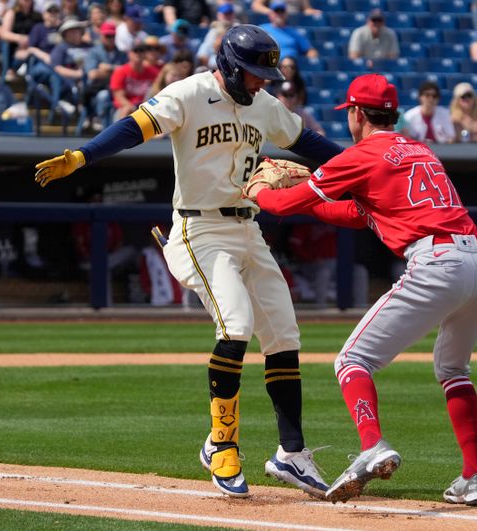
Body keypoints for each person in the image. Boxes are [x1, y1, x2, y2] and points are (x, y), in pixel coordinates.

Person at [34, 24, 343, 499]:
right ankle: (221, 444)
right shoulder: (190, 93)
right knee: (236, 325)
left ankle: (291, 454)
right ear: (229, 66)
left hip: (248, 227)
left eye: (266, 73)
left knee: (283, 334)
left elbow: (311, 143)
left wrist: (364, 169)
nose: (262, 81)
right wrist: (83, 155)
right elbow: (133, 128)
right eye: (255, 72)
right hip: (200, 231)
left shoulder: (264, 105)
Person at [245, 73, 477, 506]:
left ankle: (373, 445)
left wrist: (260, 191)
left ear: (358, 113)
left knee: (352, 360)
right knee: (454, 370)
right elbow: (359, 213)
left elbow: (286, 206)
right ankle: (473, 478)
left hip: (437, 262)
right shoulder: (421, 149)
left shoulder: (363, 154)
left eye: (350, 114)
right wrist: (309, 197)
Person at [83, 20, 126, 130]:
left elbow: (126, 73)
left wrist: (109, 68)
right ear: (101, 36)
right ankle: (99, 121)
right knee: (104, 95)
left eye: (112, 36)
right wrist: (117, 72)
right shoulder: (94, 52)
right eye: (107, 36)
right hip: (97, 89)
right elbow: (93, 75)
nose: (110, 39)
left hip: (118, 90)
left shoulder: (121, 54)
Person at [110, 36, 163, 120]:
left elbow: (156, 92)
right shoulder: (121, 71)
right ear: (129, 53)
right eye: (136, 50)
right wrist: (132, 107)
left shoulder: (153, 72)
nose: (139, 53)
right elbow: (119, 97)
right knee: (126, 110)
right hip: (125, 108)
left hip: (145, 108)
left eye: (142, 51)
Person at [398, 80, 456, 144]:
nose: (431, 99)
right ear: (420, 97)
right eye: (427, 95)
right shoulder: (409, 116)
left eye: (434, 96)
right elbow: (406, 138)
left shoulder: (445, 114)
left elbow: (451, 137)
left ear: (438, 99)